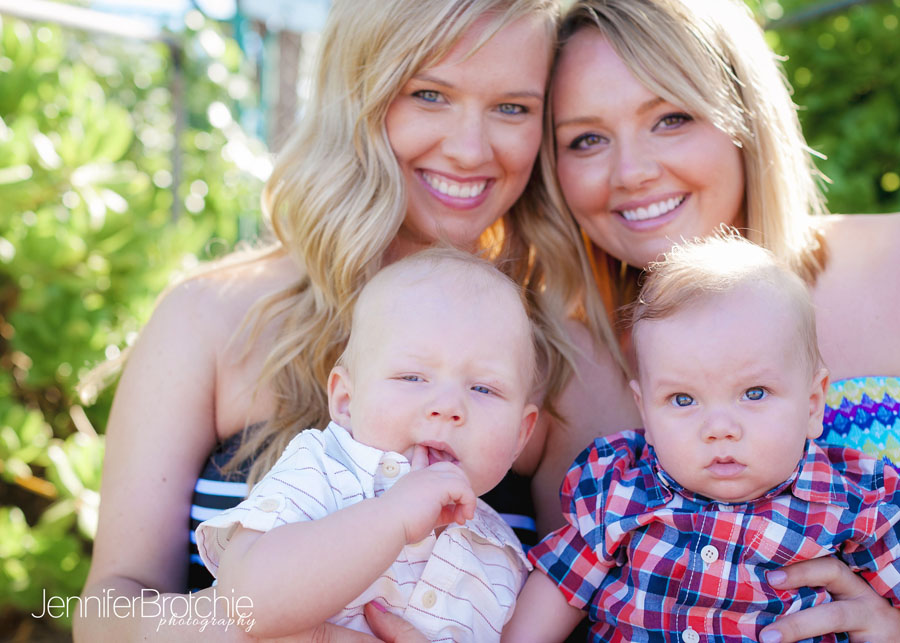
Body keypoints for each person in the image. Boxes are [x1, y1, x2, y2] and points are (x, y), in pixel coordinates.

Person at [74, 1, 566, 641]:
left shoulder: (553, 349)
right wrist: (258, 625)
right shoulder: (209, 317)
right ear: (357, 94)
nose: (471, 148)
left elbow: (600, 603)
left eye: (512, 107)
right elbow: (105, 613)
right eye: (429, 94)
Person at [521, 0, 900, 640]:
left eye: (671, 118)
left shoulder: (889, 265)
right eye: (586, 138)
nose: (632, 172)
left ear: (746, 118)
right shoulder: (546, 360)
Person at [504, 235, 900, 642]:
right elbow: (561, 584)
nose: (719, 427)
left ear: (813, 404)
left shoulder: (855, 503)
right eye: (683, 399)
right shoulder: (622, 488)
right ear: (645, 412)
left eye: (754, 393)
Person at [196, 248, 539, 641]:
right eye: (412, 377)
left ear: (520, 435)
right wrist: (393, 517)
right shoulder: (320, 472)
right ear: (346, 401)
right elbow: (247, 604)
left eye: (483, 388)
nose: (448, 407)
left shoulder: (503, 560)